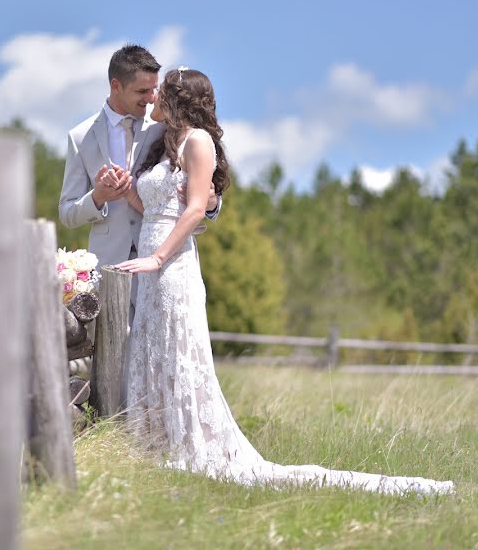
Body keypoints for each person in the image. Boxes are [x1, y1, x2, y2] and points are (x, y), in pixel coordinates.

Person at [116, 67, 454, 496]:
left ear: (179, 98)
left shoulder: (197, 142)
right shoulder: (162, 148)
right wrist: (124, 190)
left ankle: (190, 445)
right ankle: (151, 443)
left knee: (178, 351)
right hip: (151, 267)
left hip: (171, 266)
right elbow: (153, 207)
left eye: (161, 92)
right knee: (154, 349)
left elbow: (197, 209)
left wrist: (158, 257)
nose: (154, 99)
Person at [58, 45, 220, 402]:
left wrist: (210, 204)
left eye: (154, 90)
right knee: (113, 356)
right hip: (111, 264)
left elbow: (199, 186)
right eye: (142, 91)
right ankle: (114, 429)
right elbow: (68, 212)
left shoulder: (166, 125)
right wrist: (98, 196)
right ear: (116, 85)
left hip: (164, 259)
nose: (151, 98)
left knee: (164, 349)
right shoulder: (81, 137)